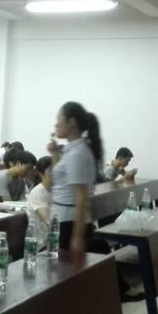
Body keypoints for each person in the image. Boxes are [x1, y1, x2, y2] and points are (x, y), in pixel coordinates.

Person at [50, 101, 103, 257]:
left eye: (59, 119)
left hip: (70, 224)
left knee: (65, 269)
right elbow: (59, 181)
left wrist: (77, 236)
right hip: (64, 220)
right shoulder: (74, 149)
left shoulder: (77, 153)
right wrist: (54, 155)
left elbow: (81, 197)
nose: (56, 124)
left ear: (71, 122)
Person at [27, 156, 54, 249]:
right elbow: (48, 221)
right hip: (43, 245)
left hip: (56, 241)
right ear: (41, 173)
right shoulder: (38, 192)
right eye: (51, 170)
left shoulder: (58, 190)